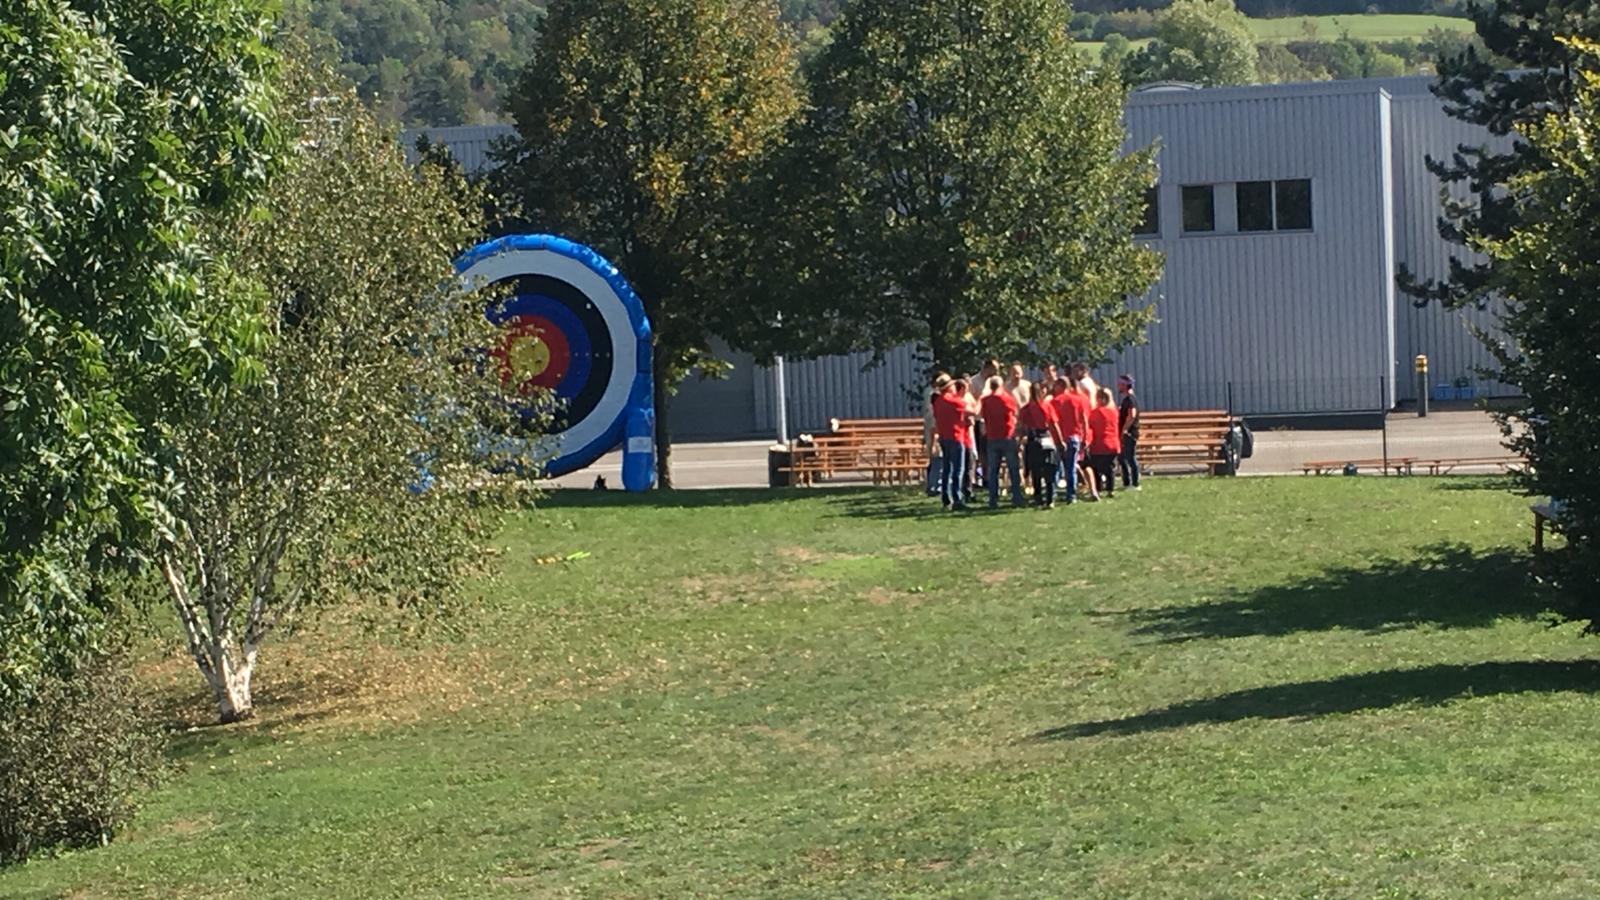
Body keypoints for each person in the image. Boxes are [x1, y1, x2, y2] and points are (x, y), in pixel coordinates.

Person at [979, 375, 1025, 508]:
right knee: (1013, 468)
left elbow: (983, 416)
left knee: (993, 470)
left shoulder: (985, 400)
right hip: (1007, 436)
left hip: (992, 437)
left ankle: (993, 499)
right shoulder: (1007, 399)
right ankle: (1016, 496)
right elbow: (1015, 413)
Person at [1019, 385, 1066, 508]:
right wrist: (1060, 441)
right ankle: (1050, 498)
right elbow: (1054, 425)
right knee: (1050, 468)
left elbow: (1021, 427)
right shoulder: (1047, 406)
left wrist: (1019, 442)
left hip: (1032, 439)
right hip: (1046, 437)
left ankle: (1038, 498)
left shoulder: (1025, 409)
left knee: (1035, 471)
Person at [932, 378, 974, 511]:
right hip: (956, 437)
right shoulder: (953, 400)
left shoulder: (938, 401)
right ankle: (957, 498)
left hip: (944, 437)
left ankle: (946, 498)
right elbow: (974, 411)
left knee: (947, 469)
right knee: (958, 470)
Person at [1049, 377, 1090, 503]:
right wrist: (1085, 437)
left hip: (1057, 438)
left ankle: (1053, 494)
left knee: (1055, 467)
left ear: (1060, 386)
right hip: (1074, 437)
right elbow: (1084, 420)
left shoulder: (1054, 402)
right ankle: (1071, 495)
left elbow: (1051, 421)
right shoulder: (1077, 400)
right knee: (1071, 467)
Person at [1088, 387, 1122, 498]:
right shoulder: (1114, 411)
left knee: (1096, 468)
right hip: (1113, 443)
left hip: (1099, 443)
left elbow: (1090, 425)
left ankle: (1098, 489)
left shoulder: (1096, 412)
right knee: (1110, 469)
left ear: (1100, 399)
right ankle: (1110, 489)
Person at [924, 373, 952, 496]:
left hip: (936, 428)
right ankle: (936, 486)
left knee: (937, 459)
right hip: (936, 429)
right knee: (938, 458)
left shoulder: (933, 396)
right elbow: (934, 418)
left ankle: (934, 485)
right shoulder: (936, 397)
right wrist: (934, 435)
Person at [1117, 374, 1141, 490]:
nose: (1118, 386)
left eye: (1120, 384)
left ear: (1125, 385)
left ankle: (1135, 483)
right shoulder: (1126, 399)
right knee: (1122, 458)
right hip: (1126, 432)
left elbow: (1132, 415)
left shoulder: (1130, 399)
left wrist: (1124, 429)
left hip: (1129, 433)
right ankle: (1126, 482)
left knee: (1130, 457)